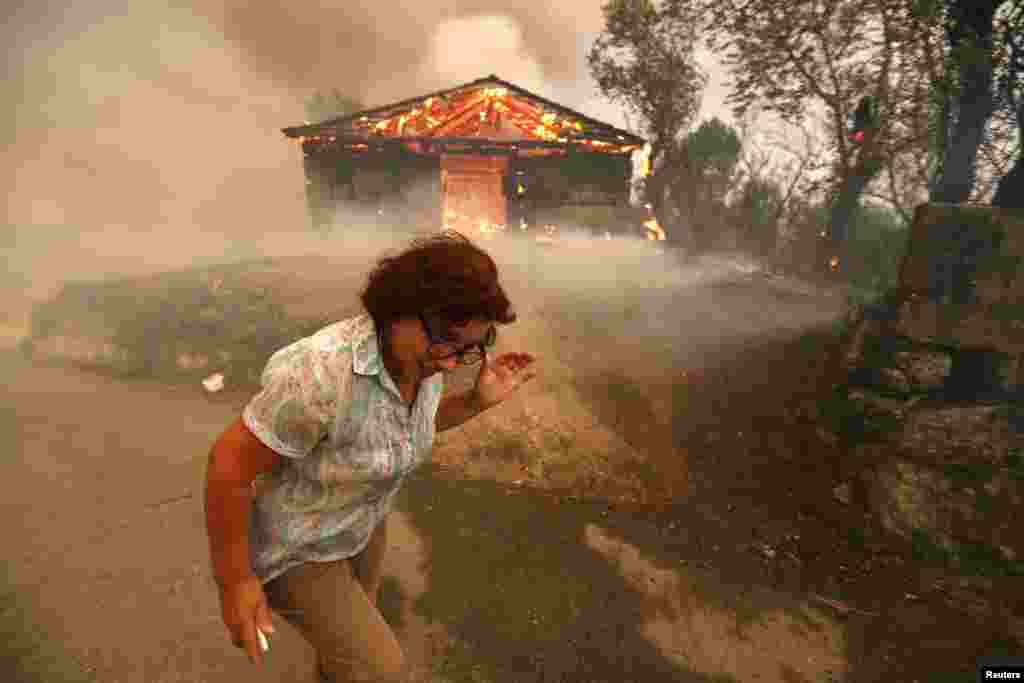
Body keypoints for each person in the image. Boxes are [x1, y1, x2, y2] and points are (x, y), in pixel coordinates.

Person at [204, 230, 537, 682]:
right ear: (399, 311)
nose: (452, 363)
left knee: (348, 663)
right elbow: (229, 465)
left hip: (359, 526)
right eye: (448, 342)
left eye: (471, 347)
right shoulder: (322, 374)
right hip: (297, 545)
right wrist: (235, 582)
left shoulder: (420, 362)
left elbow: (392, 432)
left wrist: (476, 402)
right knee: (381, 670)